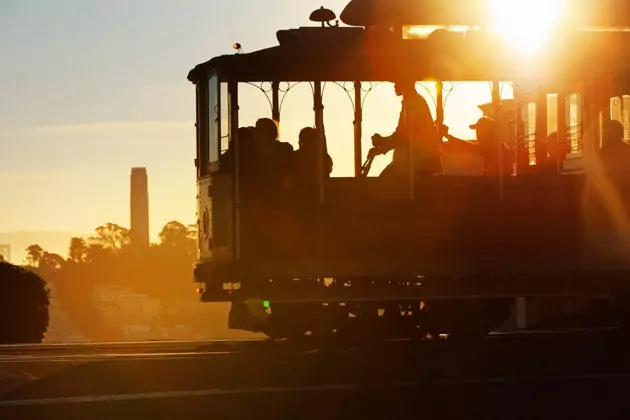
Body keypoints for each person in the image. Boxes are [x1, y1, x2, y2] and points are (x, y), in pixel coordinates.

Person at [368, 79, 443, 179]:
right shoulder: (411, 101)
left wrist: (383, 144)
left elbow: (404, 136)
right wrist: (383, 144)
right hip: (417, 162)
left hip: (420, 164)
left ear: (406, 83)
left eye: (397, 82)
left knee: (384, 182)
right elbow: (402, 135)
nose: (394, 86)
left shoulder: (413, 103)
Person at [441, 116, 512, 176]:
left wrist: (447, 135)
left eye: (479, 129)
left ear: (486, 131)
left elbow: (469, 147)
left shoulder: (493, 146)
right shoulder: (496, 145)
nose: (476, 132)